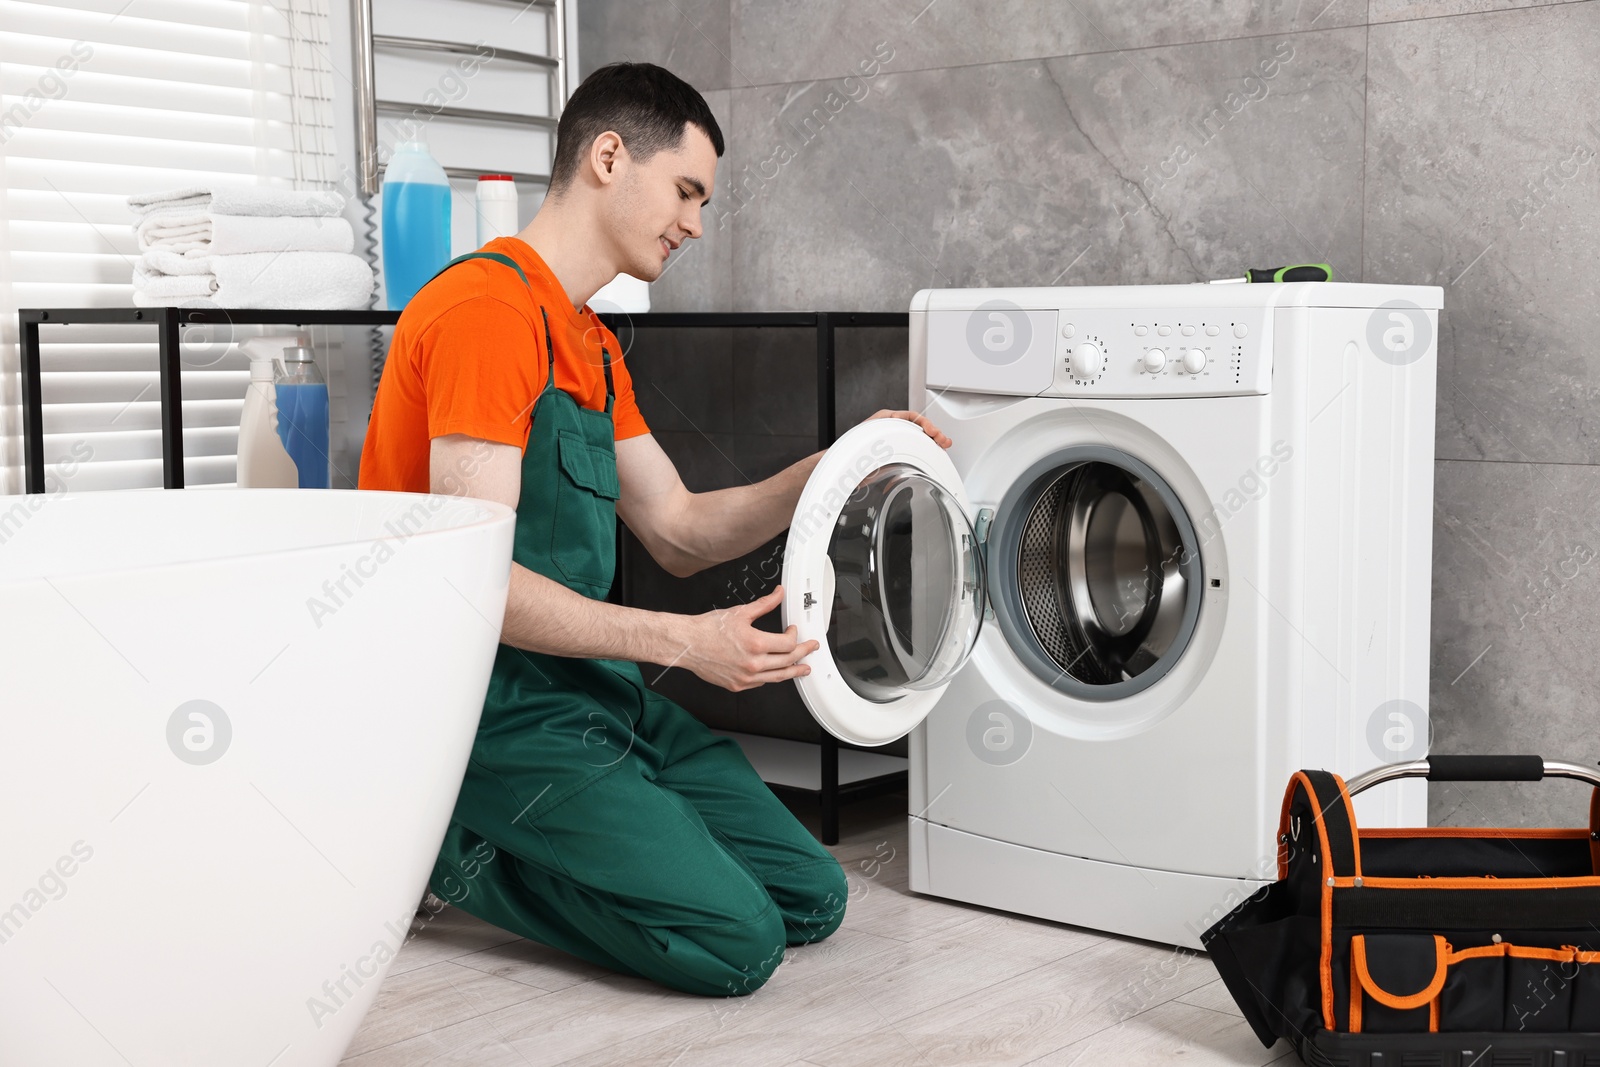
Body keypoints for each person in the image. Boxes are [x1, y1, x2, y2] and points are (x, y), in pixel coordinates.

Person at [357, 62, 950, 997]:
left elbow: (677, 527)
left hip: (592, 694)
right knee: (737, 943)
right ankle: (442, 844)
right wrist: (686, 641)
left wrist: (833, 463)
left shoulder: (589, 341)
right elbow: (469, 580)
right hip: (485, 713)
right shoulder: (487, 314)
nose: (695, 225)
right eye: (686, 190)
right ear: (606, 157)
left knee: (811, 898)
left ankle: (593, 828)